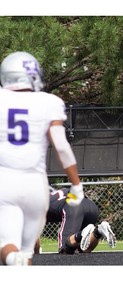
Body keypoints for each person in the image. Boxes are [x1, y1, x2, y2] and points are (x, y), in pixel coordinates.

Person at [0, 51, 84, 266]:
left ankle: (11, 258)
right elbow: (62, 147)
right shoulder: (49, 102)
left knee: (8, 244)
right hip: (35, 184)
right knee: (28, 252)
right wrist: (76, 184)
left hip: (5, 180)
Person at [34, 187, 116, 254]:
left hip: (73, 207)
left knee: (65, 250)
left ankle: (81, 234)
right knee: (82, 250)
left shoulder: (33, 204)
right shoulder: (53, 194)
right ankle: (98, 231)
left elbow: (34, 237)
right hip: (90, 205)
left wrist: (36, 256)